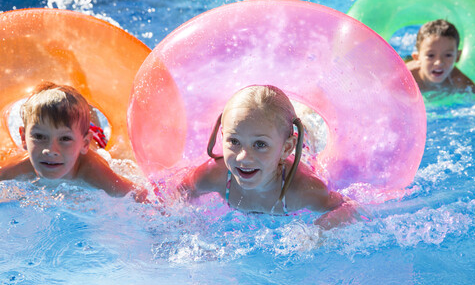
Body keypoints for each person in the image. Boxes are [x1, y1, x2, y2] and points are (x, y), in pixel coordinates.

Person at [180, 85, 359, 230]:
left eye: (259, 145)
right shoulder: (214, 174)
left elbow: (350, 207)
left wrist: (319, 232)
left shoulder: (304, 190)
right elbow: (180, 193)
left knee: (308, 132)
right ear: (222, 136)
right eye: (234, 141)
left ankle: (308, 109)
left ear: (286, 147)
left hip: (302, 153)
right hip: (278, 141)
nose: (244, 157)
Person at [0, 82, 145, 200]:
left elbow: (139, 197)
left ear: (84, 144)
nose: (50, 150)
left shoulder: (91, 171)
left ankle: (82, 83)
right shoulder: (18, 167)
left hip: (93, 137)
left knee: (85, 115)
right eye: (39, 137)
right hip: (75, 131)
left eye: (64, 139)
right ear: (24, 138)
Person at [406, 19, 475, 93]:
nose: (439, 62)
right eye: (431, 55)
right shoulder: (406, 78)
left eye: (448, 55)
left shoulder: (459, 82)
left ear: (457, 56)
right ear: (417, 58)